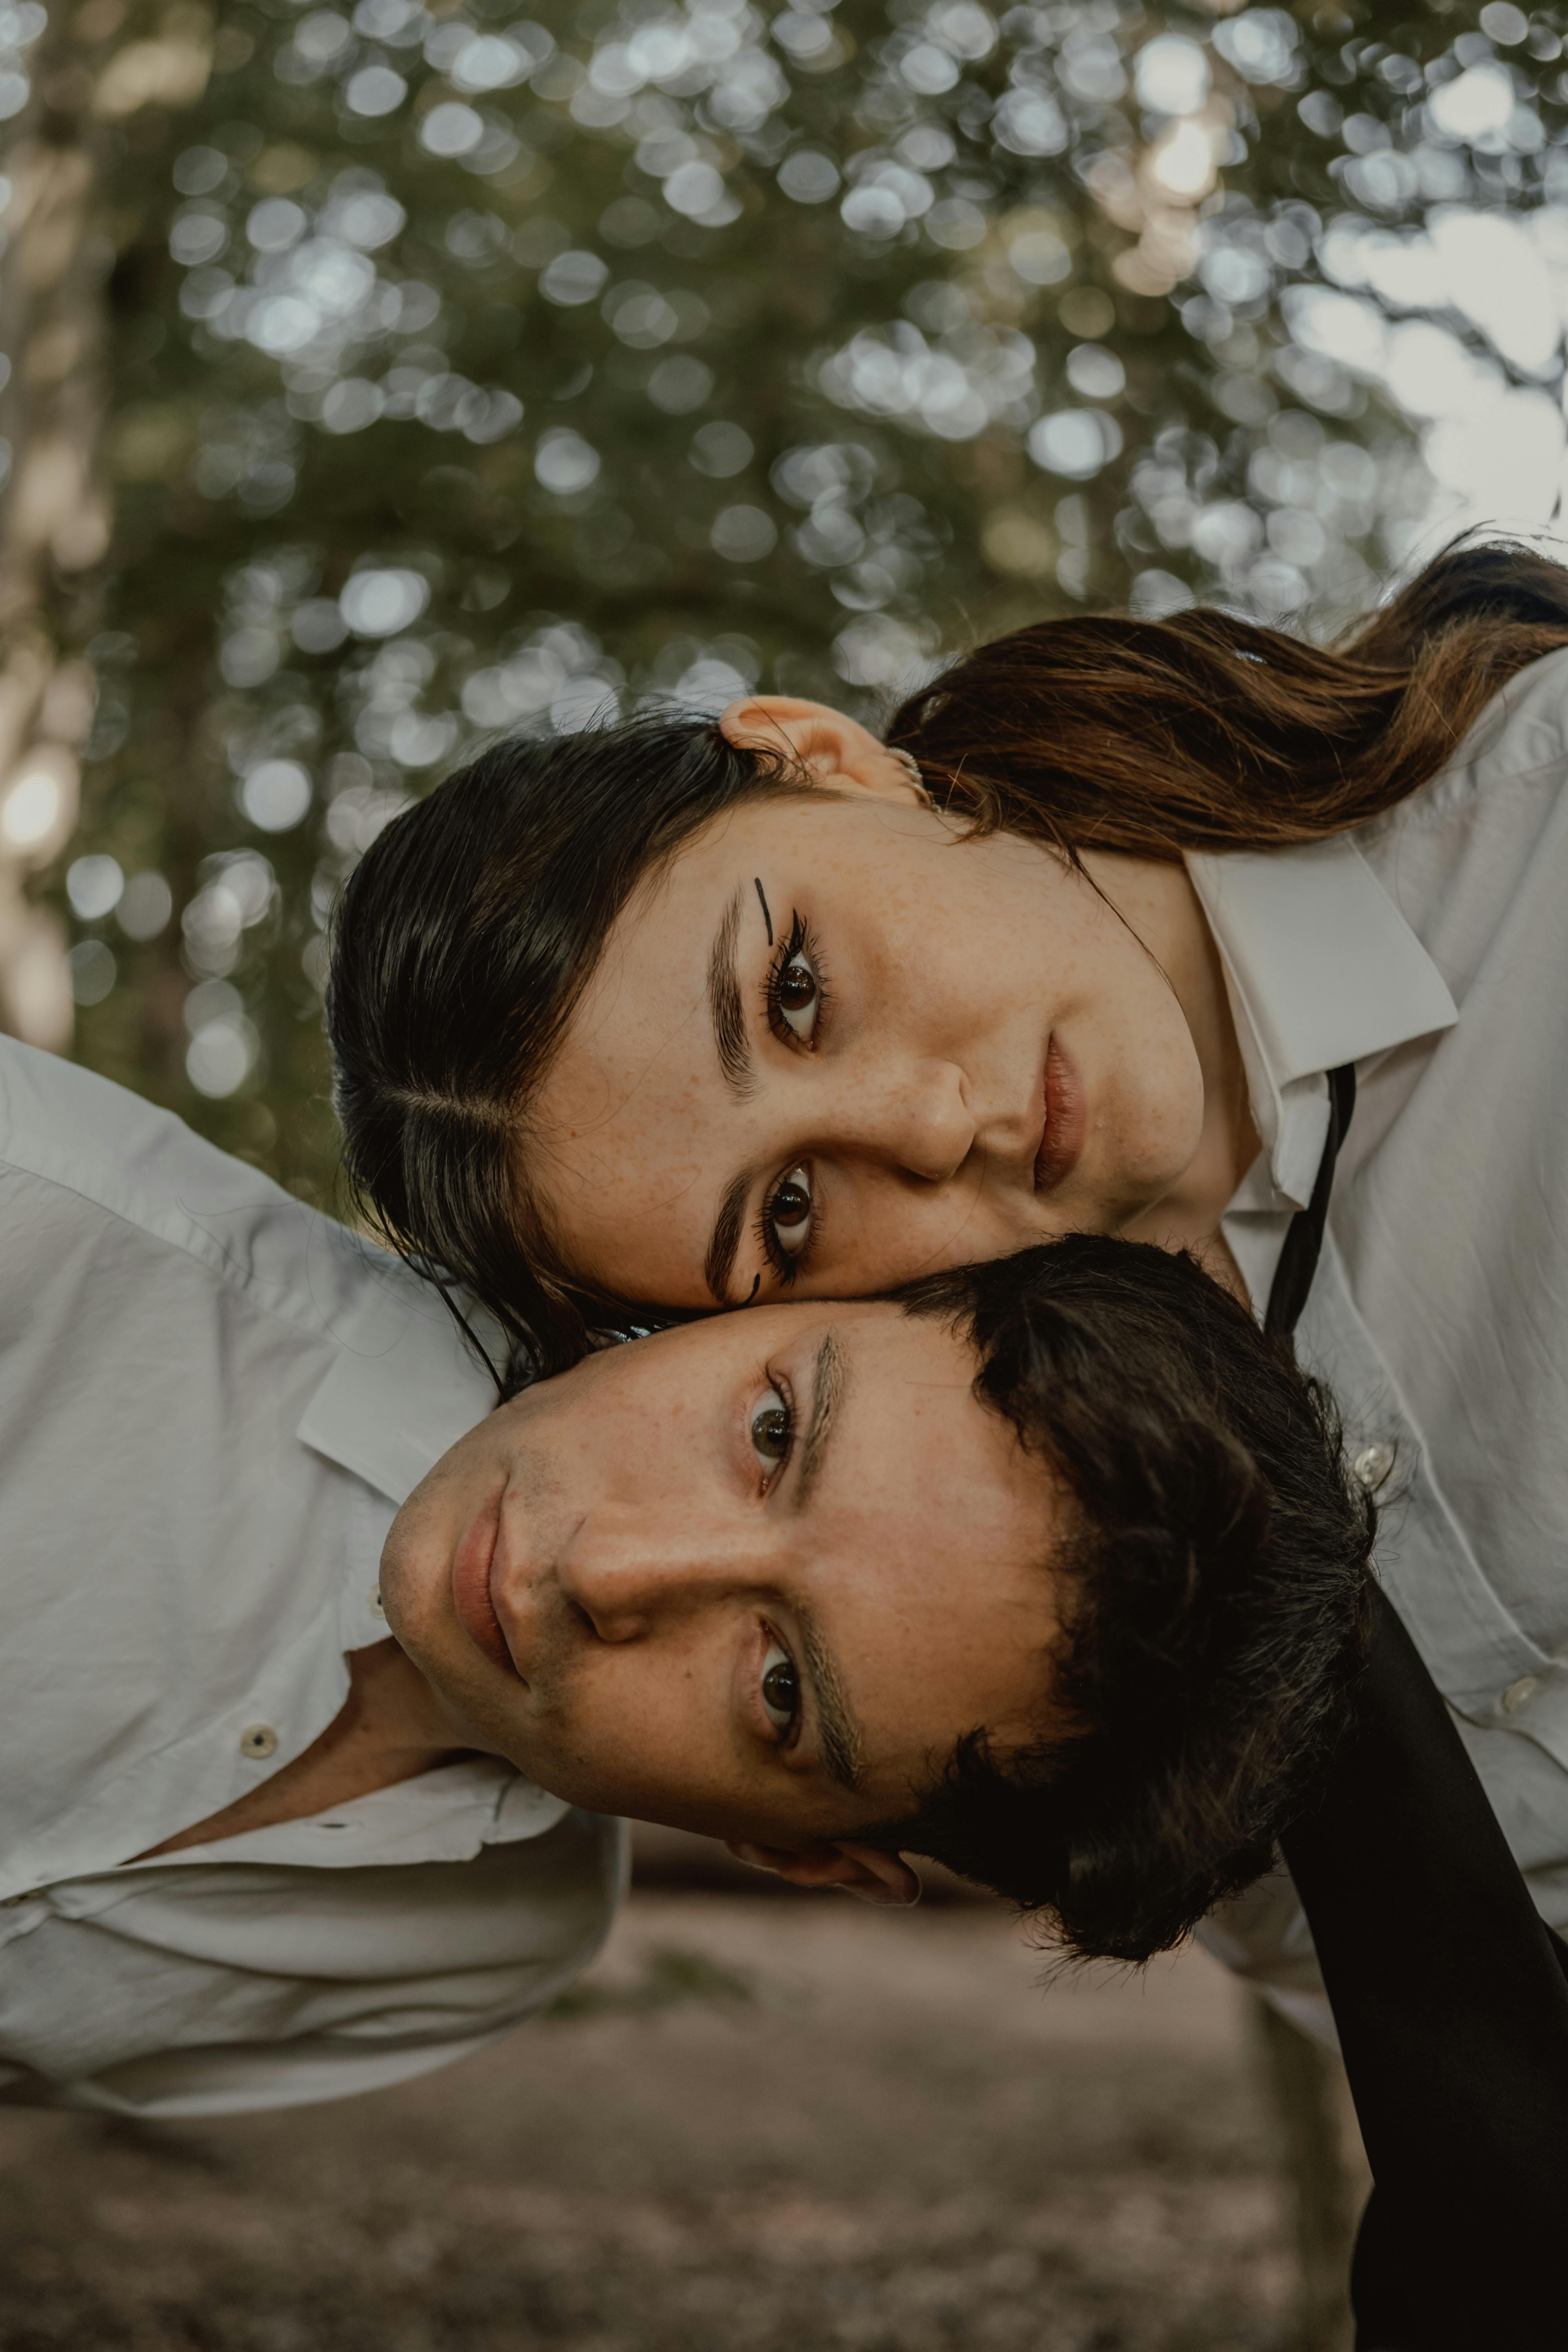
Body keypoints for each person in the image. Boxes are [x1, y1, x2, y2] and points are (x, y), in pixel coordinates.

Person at [325, 537, 1568, 2031]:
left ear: (824, 759)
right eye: (786, 1211)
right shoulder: (1020, 1650)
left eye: (795, 991)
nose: (921, 1124)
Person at [0, 1030, 1376, 2115]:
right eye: (774, 1430)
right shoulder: (44, 1227)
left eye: (780, 1686)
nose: (611, 1569)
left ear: (805, 1854)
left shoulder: (473, 1955)